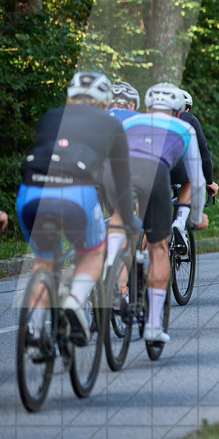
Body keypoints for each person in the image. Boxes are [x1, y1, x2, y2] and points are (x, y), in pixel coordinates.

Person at [16, 72, 134, 346]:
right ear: (106, 102)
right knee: (93, 252)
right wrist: (127, 220)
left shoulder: (49, 116)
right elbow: (123, 181)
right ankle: (74, 301)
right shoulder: (111, 124)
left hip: (31, 190)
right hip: (75, 192)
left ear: (70, 97)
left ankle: (34, 329)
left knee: (44, 260)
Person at [121, 82, 205, 343]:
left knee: (118, 227)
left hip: (116, 175)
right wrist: (193, 217)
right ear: (179, 111)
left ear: (147, 108)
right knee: (158, 248)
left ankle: (116, 286)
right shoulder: (184, 127)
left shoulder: (131, 123)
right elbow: (198, 180)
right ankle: (153, 326)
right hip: (154, 174)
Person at [174, 88, 218, 240]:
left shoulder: (153, 117)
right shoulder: (189, 119)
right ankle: (180, 221)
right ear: (186, 108)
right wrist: (209, 181)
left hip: (152, 168)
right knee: (192, 179)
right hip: (178, 168)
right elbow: (203, 153)